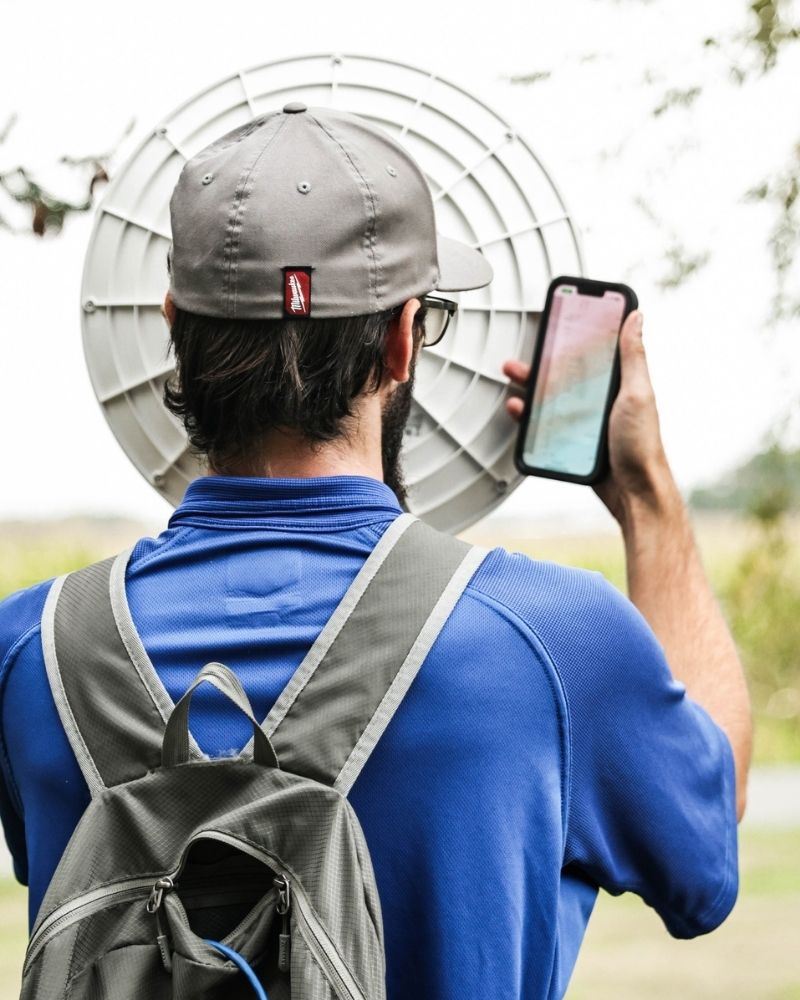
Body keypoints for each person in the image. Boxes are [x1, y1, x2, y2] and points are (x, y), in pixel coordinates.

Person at [0, 103, 751, 999]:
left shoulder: (35, 652)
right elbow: (706, 855)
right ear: (402, 340)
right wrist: (647, 498)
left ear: (172, 327)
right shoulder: (555, 643)